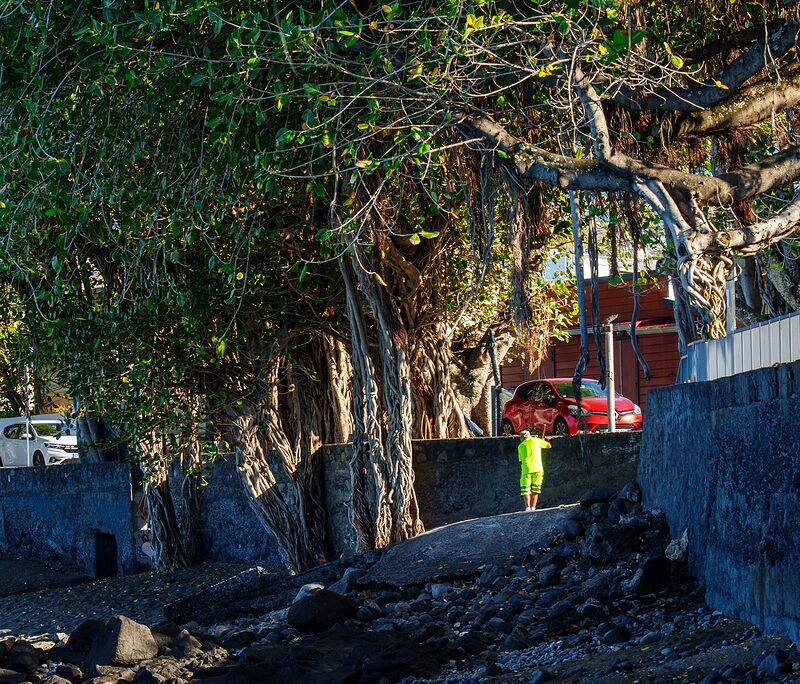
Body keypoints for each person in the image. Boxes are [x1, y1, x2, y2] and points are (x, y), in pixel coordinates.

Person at [518, 428, 551, 511]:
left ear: (522, 438)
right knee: (535, 489)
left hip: (526, 469)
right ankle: (533, 507)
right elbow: (549, 445)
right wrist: (542, 441)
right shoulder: (536, 440)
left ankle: (527, 508)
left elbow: (521, 460)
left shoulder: (520, 446)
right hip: (538, 468)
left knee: (525, 490)